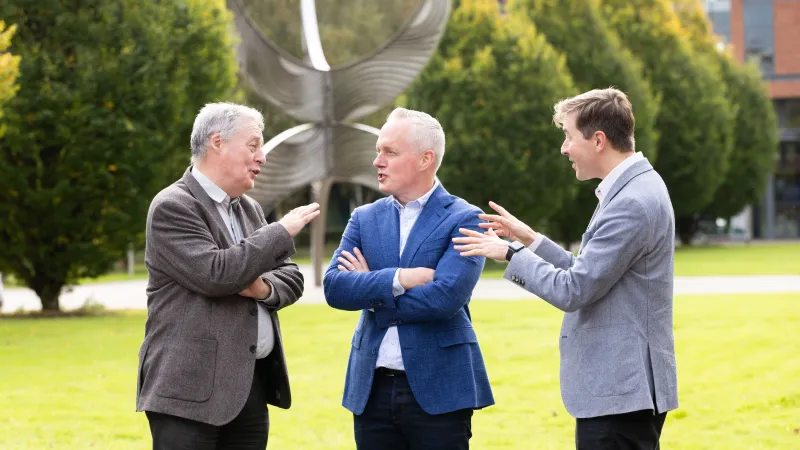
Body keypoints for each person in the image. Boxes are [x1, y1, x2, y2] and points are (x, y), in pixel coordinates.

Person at [453, 88, 678, 449]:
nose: (564, 148)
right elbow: (590, 271)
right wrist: (530, 239)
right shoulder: (633, 189)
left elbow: (574, 290)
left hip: (620, 393)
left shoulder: (632, 201)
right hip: (620, 392)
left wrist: (510, 254)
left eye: (569, 136)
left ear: (599, 140)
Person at [136, 102, 320, 450]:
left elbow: (291, 277)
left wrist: (260, 287)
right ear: (217, 143)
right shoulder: (173, 206)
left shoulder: (248, 208)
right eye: (253, 145)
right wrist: (281, 231)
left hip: (247, 386)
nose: (261, 156)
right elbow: (217, 274)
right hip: (187, 393)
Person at [323, 107, 494, 449]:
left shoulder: (467, 219)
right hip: (371, 389)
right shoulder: (363, 218)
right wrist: (400, 279)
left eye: (390, 152)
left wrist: (371, 290)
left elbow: (446, 298)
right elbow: (335, 288)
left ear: (424, 159)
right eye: (378, 151)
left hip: (440, 389)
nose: (377, 161)